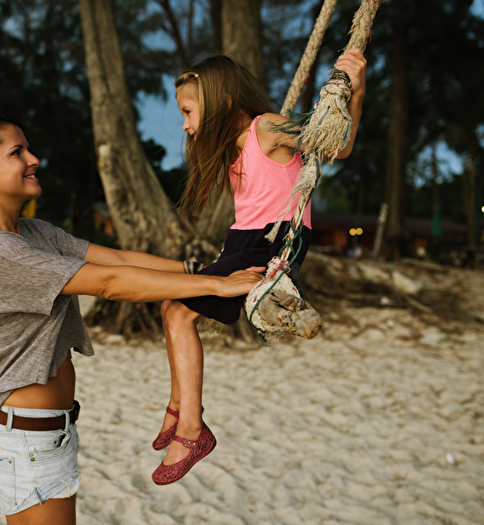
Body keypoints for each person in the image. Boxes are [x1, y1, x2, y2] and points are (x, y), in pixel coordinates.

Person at [0, 115, 266, 525]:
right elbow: (108, 283)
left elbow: (118, 259)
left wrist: (206, 269)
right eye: (16, 153)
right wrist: (216, 285)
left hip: (45, 433)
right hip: (29, 440)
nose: (33, 159)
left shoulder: (33, 232)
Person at [152, 50, 367, 485]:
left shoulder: (265, 128)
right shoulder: (234, 145)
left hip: (272, 242)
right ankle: (179, 407)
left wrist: (356, 91)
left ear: (221, 102)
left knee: (179, 313)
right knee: (170, 307)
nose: (185, 124)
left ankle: (191, 427)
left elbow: (337, 145)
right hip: (244, 242)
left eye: (189, 112)